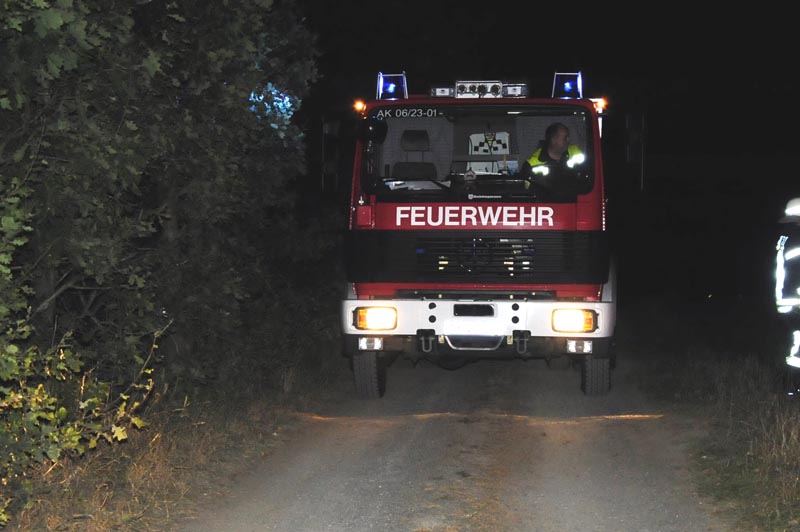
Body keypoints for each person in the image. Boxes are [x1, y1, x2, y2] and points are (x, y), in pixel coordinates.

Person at [520, 122, 586, 200]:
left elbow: (589, 176)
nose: (569, 140)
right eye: (565, 137)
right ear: (553, 139)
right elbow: (525, 191)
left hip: (574, 203)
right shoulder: (532, 163)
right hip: (546, 205)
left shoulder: (576, 152)